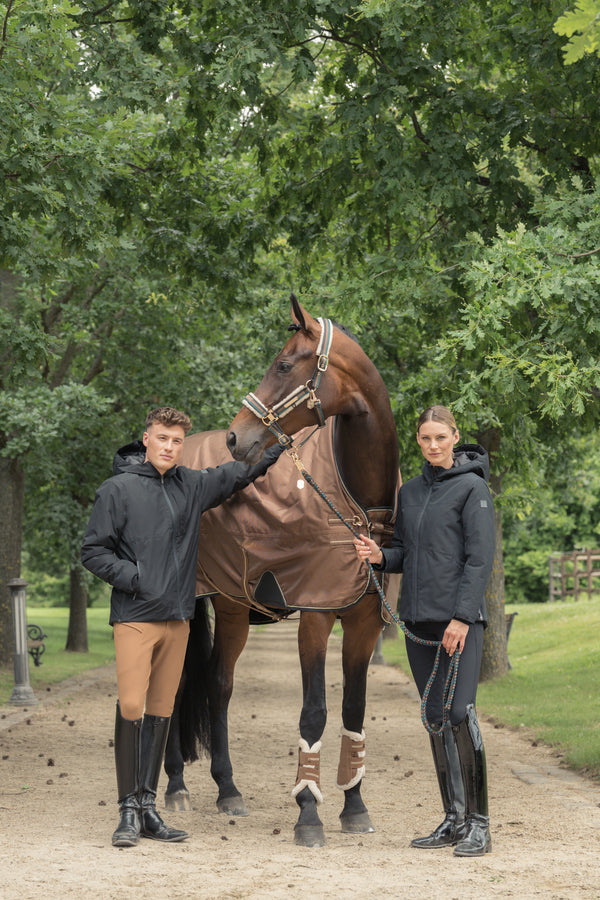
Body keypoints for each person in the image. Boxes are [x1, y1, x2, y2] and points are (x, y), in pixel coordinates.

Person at [81, 407, 282, 848]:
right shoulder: (117, 490)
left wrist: (280, 444)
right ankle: (127, 812)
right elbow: (93, 551)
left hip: (178, 618)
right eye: (162, 438)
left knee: (160, 712)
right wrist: (136, 579)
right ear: (147, 438)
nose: (169, 447)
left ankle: (150, 808)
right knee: (132, 706)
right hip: (135, 617)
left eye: (176, 441)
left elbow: (240, 472)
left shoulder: (192, 486)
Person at [354, 405, 495, 857]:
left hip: (458, 623)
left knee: (459, 713)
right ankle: (453, 819)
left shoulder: (473, 489)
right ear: (418, 441)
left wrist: (462, 618)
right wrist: (379, 556)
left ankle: (480, 825)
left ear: (455, 436)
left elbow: (479, 560)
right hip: (418, 619)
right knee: (434, 717)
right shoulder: (410, 492)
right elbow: (406, 555)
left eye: (440, 437)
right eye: (424, 438)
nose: (432, 445)